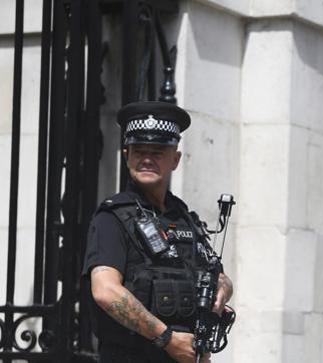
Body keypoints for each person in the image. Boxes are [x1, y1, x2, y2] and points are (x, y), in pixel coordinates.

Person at [82, 101, 234, 363]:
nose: (147, 159)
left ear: (175, 159)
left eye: (158, 151)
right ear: (126, 155)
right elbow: (105, 290)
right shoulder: (113, 217)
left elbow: (214, 274)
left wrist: (223, 289)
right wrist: (167, 339)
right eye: (139, 151)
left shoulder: (184, 217)